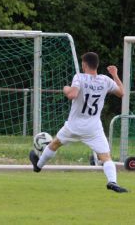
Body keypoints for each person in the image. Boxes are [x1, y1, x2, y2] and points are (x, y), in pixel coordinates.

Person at [29, 52, 128, 193]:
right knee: (106, 157)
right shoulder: (105, 80)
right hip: (93, 127)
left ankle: (38, 166)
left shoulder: (79, 77)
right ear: (97, 65)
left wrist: (65, 89)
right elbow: (121, 93)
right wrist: (115, 75)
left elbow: (72, 95)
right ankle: (112, 182)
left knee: (55, 143)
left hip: (74, 125)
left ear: (84, 65)